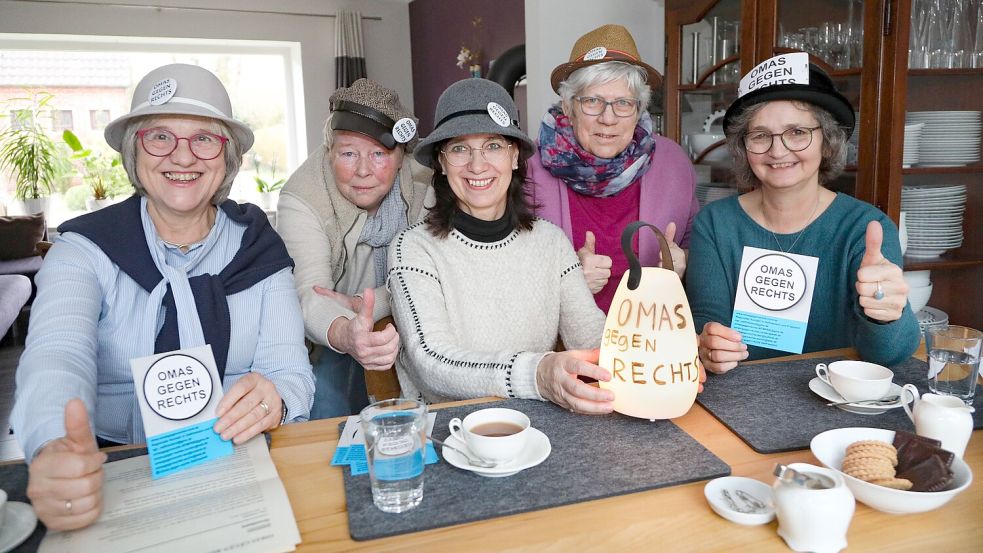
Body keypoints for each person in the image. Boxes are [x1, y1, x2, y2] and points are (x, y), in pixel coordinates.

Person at [11, 64, 314, 530]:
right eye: (160, 137)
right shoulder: (82, 250)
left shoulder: (260, 246)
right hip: (111, 465)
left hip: (242, 464)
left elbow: (291, 374)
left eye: (204, 139)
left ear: (227, 156)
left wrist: (277, 397)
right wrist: (55, 446)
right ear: (136, 151)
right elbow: (57, 354)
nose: (183, 156)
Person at [388, 78, 614, 414]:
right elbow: (431, 363)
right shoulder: (414, 248)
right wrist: (535, 375)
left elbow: (592, 339)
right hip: (445, 428)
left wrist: (659, 355)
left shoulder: (551, 241)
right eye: (459, 148)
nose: (477, 166)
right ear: (441, 162)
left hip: (540, 421)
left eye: (493, 145)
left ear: (514, 156)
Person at [686, 53, 921, 373]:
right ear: (745, 147)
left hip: (836, 404)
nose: (778, 150)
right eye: (760, 135)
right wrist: (708, 345)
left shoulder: (865, 229)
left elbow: (889, 356)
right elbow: (705, 323)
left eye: (797, 132)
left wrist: (885, 314)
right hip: (736, 407)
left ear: (827, 140)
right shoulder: (714, 224)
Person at [277, 79, 433, 418]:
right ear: (329, 151)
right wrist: (347, 333)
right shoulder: (303, 197)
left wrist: (366, 303)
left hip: (414, 319)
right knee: (326, 411)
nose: (363, 170)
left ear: (401, 157)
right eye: (349, 153)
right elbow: (308, 293)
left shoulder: (426, 183)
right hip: (330, 333)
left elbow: (431, 281)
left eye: (379, 154)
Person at [527, 24, 699, 312]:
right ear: (568, 107)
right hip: (560, 349)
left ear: (639, 109)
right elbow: (502, 271)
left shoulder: (673, 162)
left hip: (651, 342)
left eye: (623, 103)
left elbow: (700, 250)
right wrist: (564, 281)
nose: (608, 118)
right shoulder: (528, 166)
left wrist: (686, 263)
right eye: (592, 101)